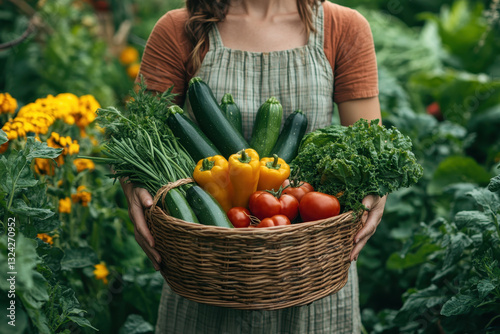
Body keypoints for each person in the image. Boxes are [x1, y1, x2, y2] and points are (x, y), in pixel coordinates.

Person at [121, 0, 387, 332]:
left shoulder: (343, 27)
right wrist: (133, 187)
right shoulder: (179, 29)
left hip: (311, 269)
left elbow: (369, 148)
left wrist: (377, 191)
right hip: (207, 270)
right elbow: (136, 137)